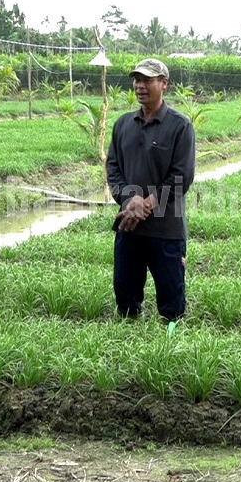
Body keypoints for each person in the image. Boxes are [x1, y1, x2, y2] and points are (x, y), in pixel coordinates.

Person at [106, 58, 195, 327]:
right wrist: (128, 199)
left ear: (164, 84)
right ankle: (129, 344)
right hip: (129, 227)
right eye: (136, 80)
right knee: (125, 295)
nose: (139, 85)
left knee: (171, 301)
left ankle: (170, 353)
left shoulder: (180, 126)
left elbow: (181, 176)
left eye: (147, 80)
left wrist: (146, 205)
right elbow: (113, 168)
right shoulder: (123, 125)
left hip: (166, 230)